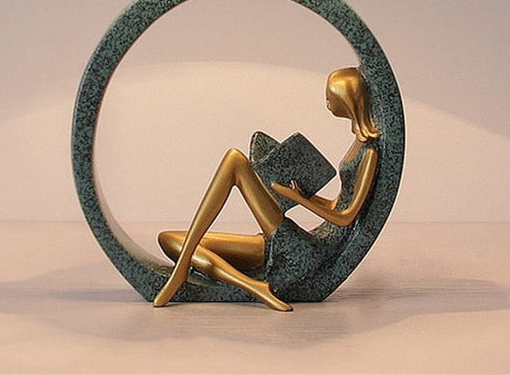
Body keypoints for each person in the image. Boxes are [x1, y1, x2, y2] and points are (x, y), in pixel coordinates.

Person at [153, 67, 380, 311]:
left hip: (307, 252)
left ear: (348, 101)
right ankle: (253, 286)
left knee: (235, 161)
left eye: (330, 98)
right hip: (299, 240)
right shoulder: (359, 143)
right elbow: (336, 205)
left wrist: (298, 199)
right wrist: (303, 195)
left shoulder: (369, 153)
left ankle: (182, 272)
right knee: (170, 240)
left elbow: (346, 217)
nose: (327, 103)